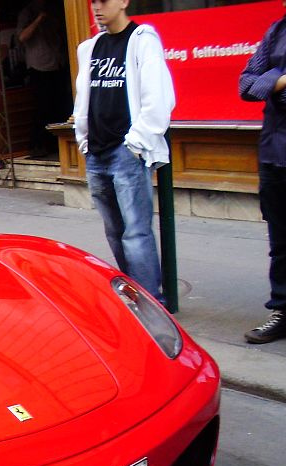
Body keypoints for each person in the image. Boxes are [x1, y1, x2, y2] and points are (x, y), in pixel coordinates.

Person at [72, 0, 174, 304]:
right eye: (93, 2)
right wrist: (83, 140)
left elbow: (159, 97)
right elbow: (84, 97)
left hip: (125, 150)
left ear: (124, 2)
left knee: (135, 233)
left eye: (104, 1)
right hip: (96, 151)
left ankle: (150, 302)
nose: (97, 8)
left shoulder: (141, 40)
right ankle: (135, 294)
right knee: (114, 231)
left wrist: (136, 143)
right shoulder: (90, 47)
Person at [238, 0, 286, 354]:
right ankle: (284, 312)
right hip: (273, 153)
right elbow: (246, 85)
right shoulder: (278, 29)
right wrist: (282, 79)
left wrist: (271, 84)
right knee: (282, 243)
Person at [16, 0, 71, 157]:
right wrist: (39, 18)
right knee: (43, 108)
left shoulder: (54, 9)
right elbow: (22, 37)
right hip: (38, 67)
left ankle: (58, 146)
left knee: (60, 106)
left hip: (57, 64)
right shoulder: (27, 13)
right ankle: (37, 146)